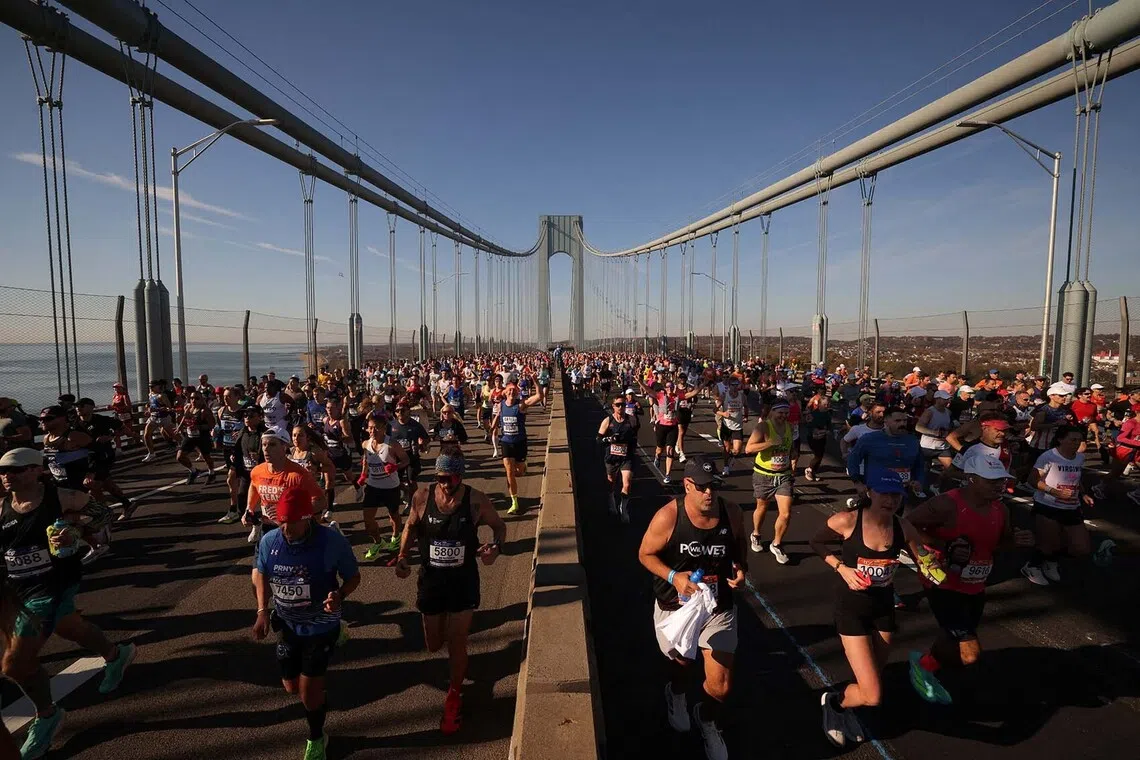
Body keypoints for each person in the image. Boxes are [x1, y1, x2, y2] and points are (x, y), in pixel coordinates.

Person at [0, 448, 136, 759]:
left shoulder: (62, 497)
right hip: (17, 589)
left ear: (37, 471)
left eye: (16, 470)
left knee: (14, 664)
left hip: (53, 584)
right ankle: (116, 654)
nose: (8, 475)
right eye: (3, 471)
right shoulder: (2, 506)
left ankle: (47, 716)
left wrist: (74, 529)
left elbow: (104, 514)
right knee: (69, 626)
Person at [810, 470, 940, 747]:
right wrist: (841, 568)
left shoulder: (902, 527)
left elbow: (924, 557)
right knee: (873, 695)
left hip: (883, 607)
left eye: (896, 495)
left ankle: (847, 706)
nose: (890, 500)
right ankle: (835, 704)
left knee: (874, 675)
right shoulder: (846, 521)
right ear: (869, 492)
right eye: (885, 493)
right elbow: (817, 542)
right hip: (851, 609)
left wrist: (937, 566)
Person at [638, 456, 746, 760]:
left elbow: (738, 548)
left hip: (717, 605)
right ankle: (676, 693)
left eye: (713, 486)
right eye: (702, 487)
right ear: (687, 485)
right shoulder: (668, 517)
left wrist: (740, 571)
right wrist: (674, 576)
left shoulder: (732, 513)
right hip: (677, 606)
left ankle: (708, 719)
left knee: (721, 686)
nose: (709, 493)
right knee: (681, 666)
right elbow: (645, 554)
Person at [906, 450, 1034, 704]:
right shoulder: (945, 504)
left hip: (975, 584)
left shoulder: (1001, 510)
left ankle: (923, 663)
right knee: (969, 653)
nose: (999, 485)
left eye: (1001, 480)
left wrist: (1015, 541)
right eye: (992, 480)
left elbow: (997, 545)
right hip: (942, 582)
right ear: (972, 479)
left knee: (953, 635)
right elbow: (906, 526)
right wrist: (942, 547)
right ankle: (925, 670)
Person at [394, 453, 506, 735]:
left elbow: (499, 527)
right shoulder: (422, 496)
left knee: (457, 642)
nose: (444, 484)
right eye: (439, 478)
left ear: (460, 477)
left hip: (462, 581)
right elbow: (410, 526)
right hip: (431, 581)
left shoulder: (476, 500)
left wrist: (495, 548)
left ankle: (454, 694)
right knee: (434, 643)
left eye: (449, 479)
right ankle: (449, 653)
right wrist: (403, 556)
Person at [252, 485, 358, 760]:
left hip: (321, 624)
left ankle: (316, 737)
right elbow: (261, 573)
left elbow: (353, 577)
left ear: (307, 517)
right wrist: (262, 611)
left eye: (292, 523)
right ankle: (317, 699)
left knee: (308, 693)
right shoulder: (270, 541)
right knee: (290, 686)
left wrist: (339, 595)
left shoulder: (331, 541)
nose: (286, 529)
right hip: (287, 624)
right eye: (282, 521)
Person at [1021, 426, 1095, 585]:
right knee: (1048, 544)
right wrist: (1053, 491)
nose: (1076, 443)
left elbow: (1077, 478)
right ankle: (1032, 566)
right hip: (1047, 505)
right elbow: (1032, 480)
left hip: (1071, 507)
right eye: (1072, 440)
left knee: (1081, 548)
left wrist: (1083, 494)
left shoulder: (1079, 458)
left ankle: (1051, 560)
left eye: (1079, 440)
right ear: (1061, 439)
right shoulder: (1048, 457)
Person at [245, 432, 327, 549]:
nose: (266, 449)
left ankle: (329, 532)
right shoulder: (257, 471)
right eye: (264, 445)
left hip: (294, 530)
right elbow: (254, 485)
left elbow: (321, 502)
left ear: (284, 447)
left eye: (272, 445)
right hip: (268, 528)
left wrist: (289, 513)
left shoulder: (298, 474)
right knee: (260, 565)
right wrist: (249, 509)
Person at [746, 400, 796, 564]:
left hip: (784, 475)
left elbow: (791, 448)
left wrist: (793, 463)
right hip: (763, 475)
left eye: (786, 413)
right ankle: (756, 533)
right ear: (772, 412)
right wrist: (769, 443)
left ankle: (777, 543)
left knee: (786, 513)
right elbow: (749, 448)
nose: (783, 416)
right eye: (780, 412)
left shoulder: (790, 427)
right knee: (762, 506)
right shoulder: (763, 427)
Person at [359, 413, 411, 561]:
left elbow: (406, 460)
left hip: (390, 487)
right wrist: (363, 475)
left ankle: (395, 536)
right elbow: (365, 460)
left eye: (376, 428)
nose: (372, 431)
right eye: (370, 428)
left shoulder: (392, 444)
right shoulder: (366, 444)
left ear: (384, 428)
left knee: (393, 515)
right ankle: (378, 542)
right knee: (368, 520)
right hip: (373, 486)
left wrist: (395, 467)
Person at [74, 398, 132, 519]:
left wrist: (110, 437)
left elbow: (124, 430)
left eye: (82, 406)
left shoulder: (102, 420)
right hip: (86, 458)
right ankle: (126, 504)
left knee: (93, 485)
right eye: (77, 406)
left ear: (91, 407)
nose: (78, 408)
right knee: (105, 483)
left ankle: (103, 513)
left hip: (103, 455)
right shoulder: (75, 424)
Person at [492, 382, 544, 515]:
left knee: (519, 472)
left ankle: (523, 465)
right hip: (506, 442)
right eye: (509, 390)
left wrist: (535, 381)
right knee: (509, 472)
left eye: (514, 391)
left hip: (520, 442)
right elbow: (498, 417)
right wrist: (492, 429)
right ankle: (514, 502)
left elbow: (539, 396)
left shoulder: (520, 405)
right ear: (505, 392)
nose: (511, 392)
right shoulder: (501, 405)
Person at [598, 395, 638, 523]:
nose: (621, 407)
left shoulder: (631, 420)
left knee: (627, 483)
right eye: (618, 405)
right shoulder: (608, 421)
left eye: (623, 405)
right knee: (611, 482)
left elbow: (635, 436)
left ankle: (624, 508)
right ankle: (612, 501)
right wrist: (609, 439)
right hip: (612, 457)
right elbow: (598, 439)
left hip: (626, 457)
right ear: (613, 406)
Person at [38, 405, 92, 492]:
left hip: (78, 485)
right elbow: (52, 460)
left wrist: (91, 474)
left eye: (48, 419)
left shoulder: (73, 436)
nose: (43, 422)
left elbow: (99, 452)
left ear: (62, 419)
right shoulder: (46, 438)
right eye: (41, 419)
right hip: (59, 483)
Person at [389, 403, 431, 512]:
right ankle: (406, 491)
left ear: (409, 411)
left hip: (412, 457)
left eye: (403, 410)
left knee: (412, 481)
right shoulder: (391, 425)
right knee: (395, 481)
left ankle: (413, 503)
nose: (400, 413)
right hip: (397, 458)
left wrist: (422, 445)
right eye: (397, 411)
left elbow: (426, 438)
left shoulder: (415, 425)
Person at [175, 391, 216, 485]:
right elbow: (184, 417)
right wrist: (179, 427)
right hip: (190, 436)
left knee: (206, 457)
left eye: (197, 398)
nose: (194, 400)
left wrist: (198, 427)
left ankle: (212, 473)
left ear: (201, 400)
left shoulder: (204, 411)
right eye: (192, 398)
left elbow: (212, 425)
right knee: (180, 457)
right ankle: (193, 471)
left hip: (202, 437)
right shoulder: (188, 407)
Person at [714, 377, 748, 478]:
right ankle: (726, 467)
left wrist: (746, 416)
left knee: (737, 450)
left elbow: (746, 406)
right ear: (729, 386)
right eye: (732, 385)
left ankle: (730, 459)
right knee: (727, 448)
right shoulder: (724, 396)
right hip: (726, 425)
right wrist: (723, 413)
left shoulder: (742, 396)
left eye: (736, 385)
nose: (735, 387)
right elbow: (714, 410)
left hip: (737, 426)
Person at [141, 379, 179, 462]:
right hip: (154, 417)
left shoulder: (162, 396)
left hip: (163, 417)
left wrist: (158, 409)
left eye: (152, 386)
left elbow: (169, 407)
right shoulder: (150, 394)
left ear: (158, 386)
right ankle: (151, 453)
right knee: (146, 435)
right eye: (150, 387)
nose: (151, 388)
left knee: (172, 434)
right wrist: (148, 410)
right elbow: (150, 404)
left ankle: (183, 445)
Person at [803, 394, 833, 483]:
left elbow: (829, 425)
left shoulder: (827, 414)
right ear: (819, 404)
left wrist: (828, 431)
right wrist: (818, 431)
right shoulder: (813, 414)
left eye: (828, 404)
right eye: (824, 404)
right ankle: (809, 469)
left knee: (820, 456)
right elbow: (809, 426)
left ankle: (813, 472)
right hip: (813, 437)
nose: (827, 406)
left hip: (822, 437)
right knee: (817, 455)